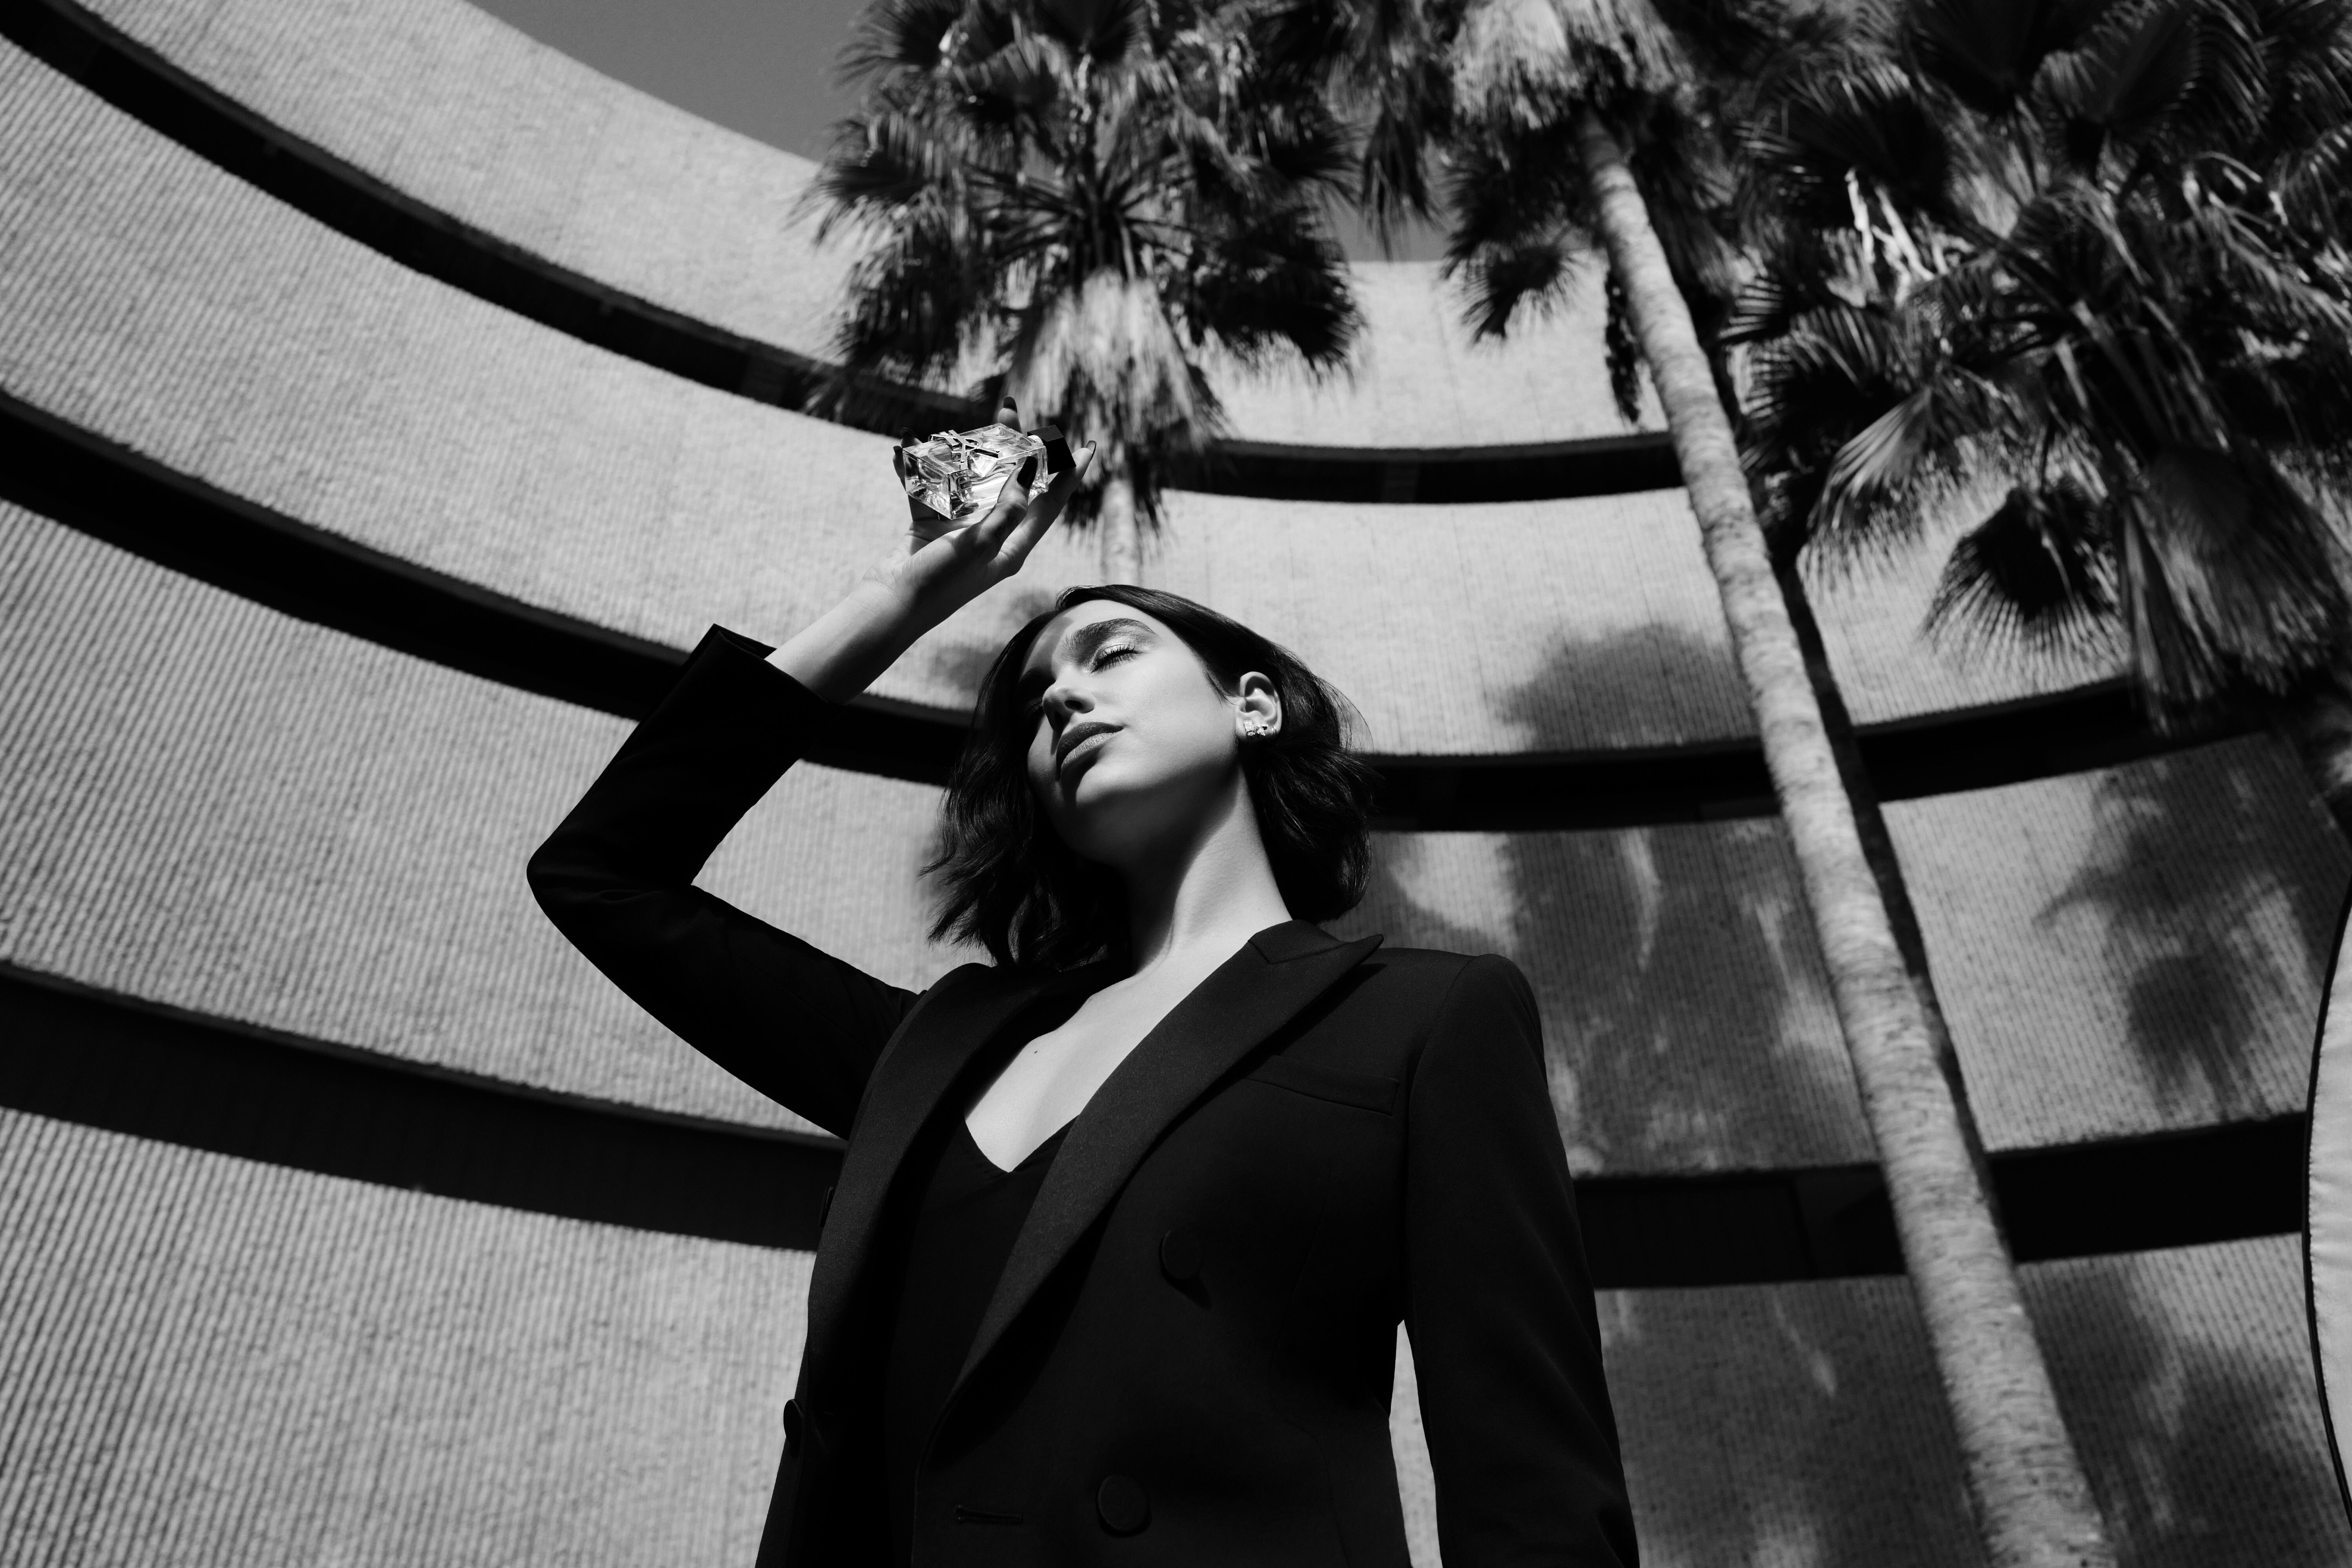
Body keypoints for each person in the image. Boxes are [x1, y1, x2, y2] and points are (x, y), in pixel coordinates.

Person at [527, 401, 1635, 1567]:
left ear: (1252, 703)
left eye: (1111, 655)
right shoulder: (940, 1047)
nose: (1059, 698)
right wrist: (909, 592)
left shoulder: (1421, 1020)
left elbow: (1534, 1497)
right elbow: (603, 877)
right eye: (1032, 703)